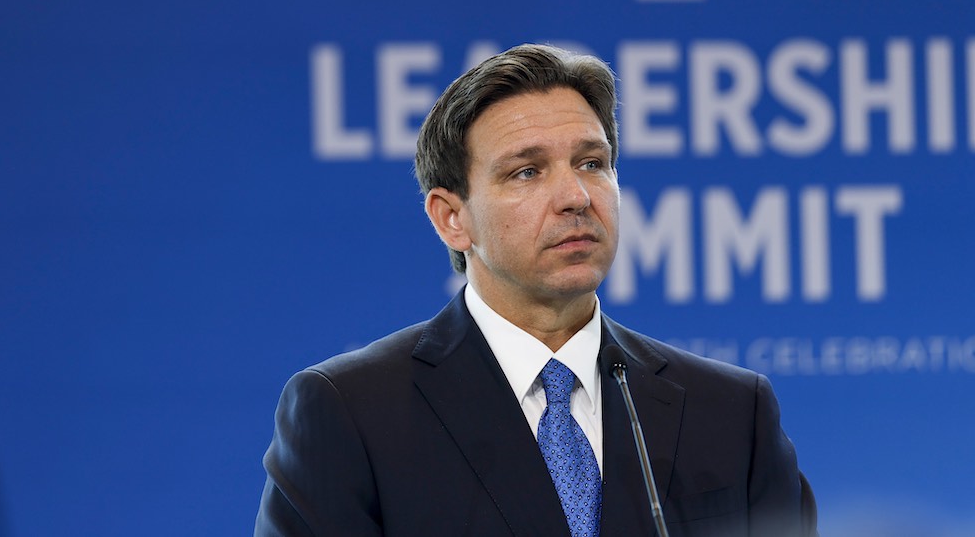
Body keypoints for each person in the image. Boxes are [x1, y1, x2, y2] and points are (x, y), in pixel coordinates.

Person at [255, 44, 817, 537]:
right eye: (527, 171)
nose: (576, 195)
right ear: (452, 219)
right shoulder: (351, 411)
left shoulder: (731, 412)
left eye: (592, 163)